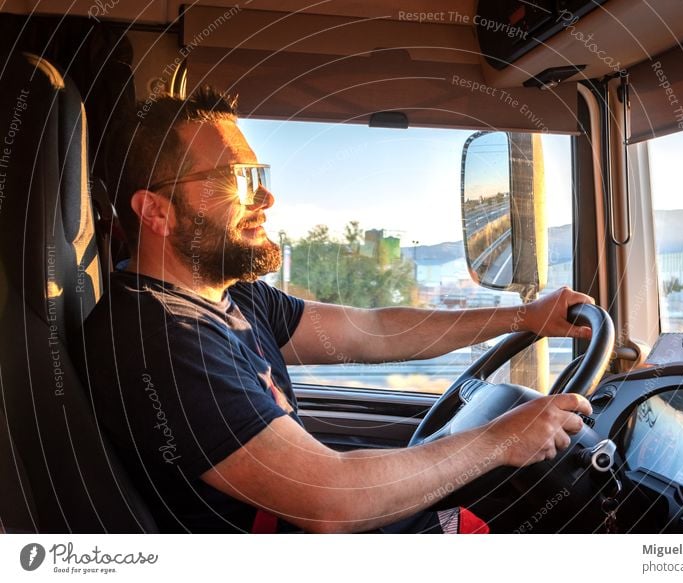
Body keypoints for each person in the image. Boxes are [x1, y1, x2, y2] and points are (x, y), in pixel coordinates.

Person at [84, 87, 595, 534]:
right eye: (235, 180)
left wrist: (524, 317)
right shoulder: (160, 338)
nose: (265, 195)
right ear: (157, 211)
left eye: (258, 173)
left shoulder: (232, 295)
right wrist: (501, 438)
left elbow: (371, 332)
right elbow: (331, 499)